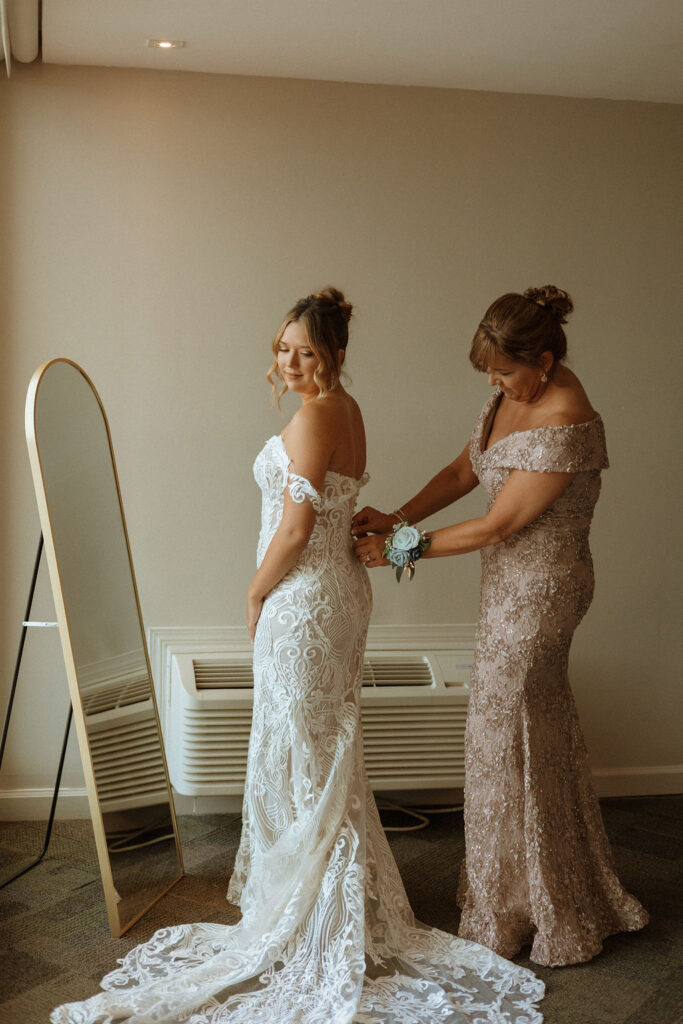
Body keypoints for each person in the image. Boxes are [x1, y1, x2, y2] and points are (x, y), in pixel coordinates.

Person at [52, 287, 544, 1023]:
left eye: (304, 351)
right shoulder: (345, 409)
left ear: (334, 356)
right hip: (336, 592)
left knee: (302, 750)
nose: (288, 361)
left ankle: (312, 915)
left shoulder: (316, 416)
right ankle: (309, 900)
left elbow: (293, 531)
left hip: (304, 599)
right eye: (282, 348)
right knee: (317, 748)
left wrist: (253, 594)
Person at [352, 285, 648, 967]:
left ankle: (527, 909)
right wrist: (400, 516)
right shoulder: (509, 395)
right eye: (486, 370)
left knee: (502, 733)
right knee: (518, 735)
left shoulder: (566, 417)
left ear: (542, 360)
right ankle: (535, 896)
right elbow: (467, 468)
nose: (493, 382)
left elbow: (499, 522)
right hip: (506, 586)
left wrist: (399, 550)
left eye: (504, 370)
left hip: (543, 591)